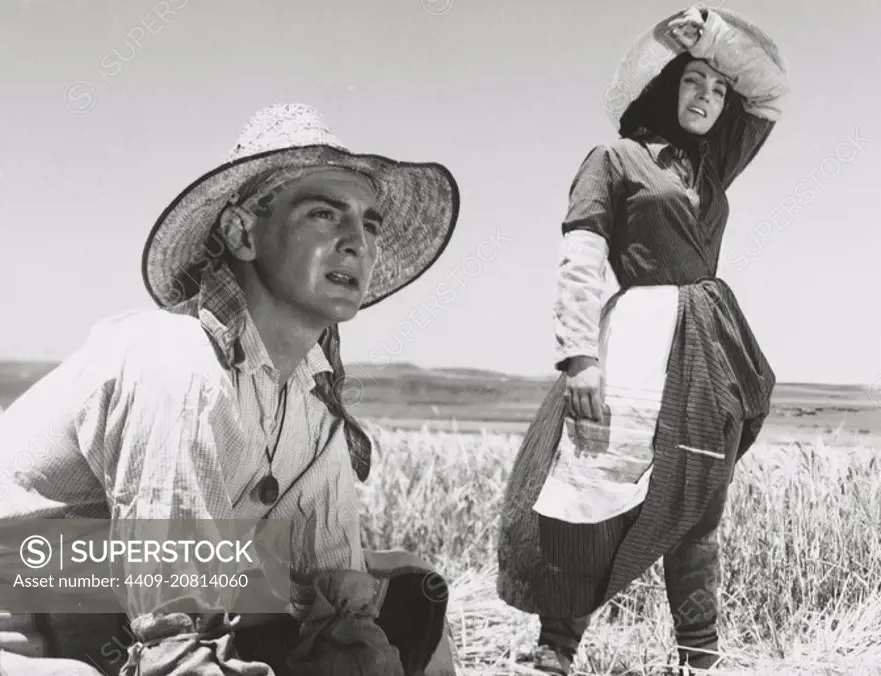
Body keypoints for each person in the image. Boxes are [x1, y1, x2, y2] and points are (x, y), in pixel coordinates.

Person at [0, 103, 460, 676]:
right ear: (242, 232)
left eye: (369, 222)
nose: (357, 242)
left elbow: (336, 602)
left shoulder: (313, 403)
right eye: (325, 213)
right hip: (35, 620)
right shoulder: (174, 362)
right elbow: (173, 641)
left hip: (141, 612)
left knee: (409, 590)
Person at [496, 6, 788, 674]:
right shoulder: (616, 159)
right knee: (592, 492)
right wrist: (578, 358)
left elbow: (769, 94)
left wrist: (712, 36)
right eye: (693, 83)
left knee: (699, 501)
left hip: (711, 349)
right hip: (633, 343)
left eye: (718, 89)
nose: (709, 97)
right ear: (664, 86)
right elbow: (579, 260)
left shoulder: (713, 168)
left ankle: (698, 658)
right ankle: (556, 651)